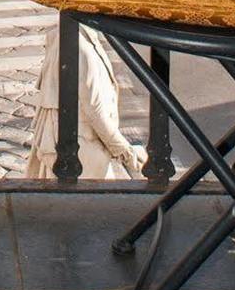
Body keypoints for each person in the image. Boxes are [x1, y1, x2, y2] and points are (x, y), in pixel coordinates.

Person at [27, 26, 148, 179]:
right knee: (89, 199)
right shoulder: (79, 46)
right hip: (83, 149)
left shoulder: (70, 36)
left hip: (75, 144)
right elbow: (94, 109)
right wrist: (124, 150)